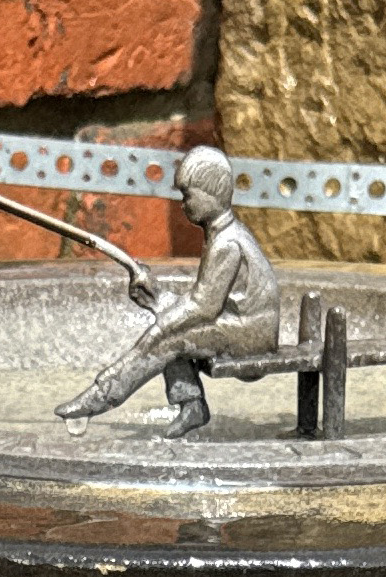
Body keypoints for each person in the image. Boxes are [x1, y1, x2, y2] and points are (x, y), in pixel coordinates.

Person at [56, 147, 282, 435]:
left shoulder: (227, 243)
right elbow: (206, 304)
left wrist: (161, 323)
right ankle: (191, 406)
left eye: (188, 195)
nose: (182, 205)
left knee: (167, 339)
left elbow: (205, 307)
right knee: (171, 333)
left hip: (252, 336)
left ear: (211, 194)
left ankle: (100, 397)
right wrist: (159, 298)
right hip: (238, 324)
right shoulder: (223, 235)